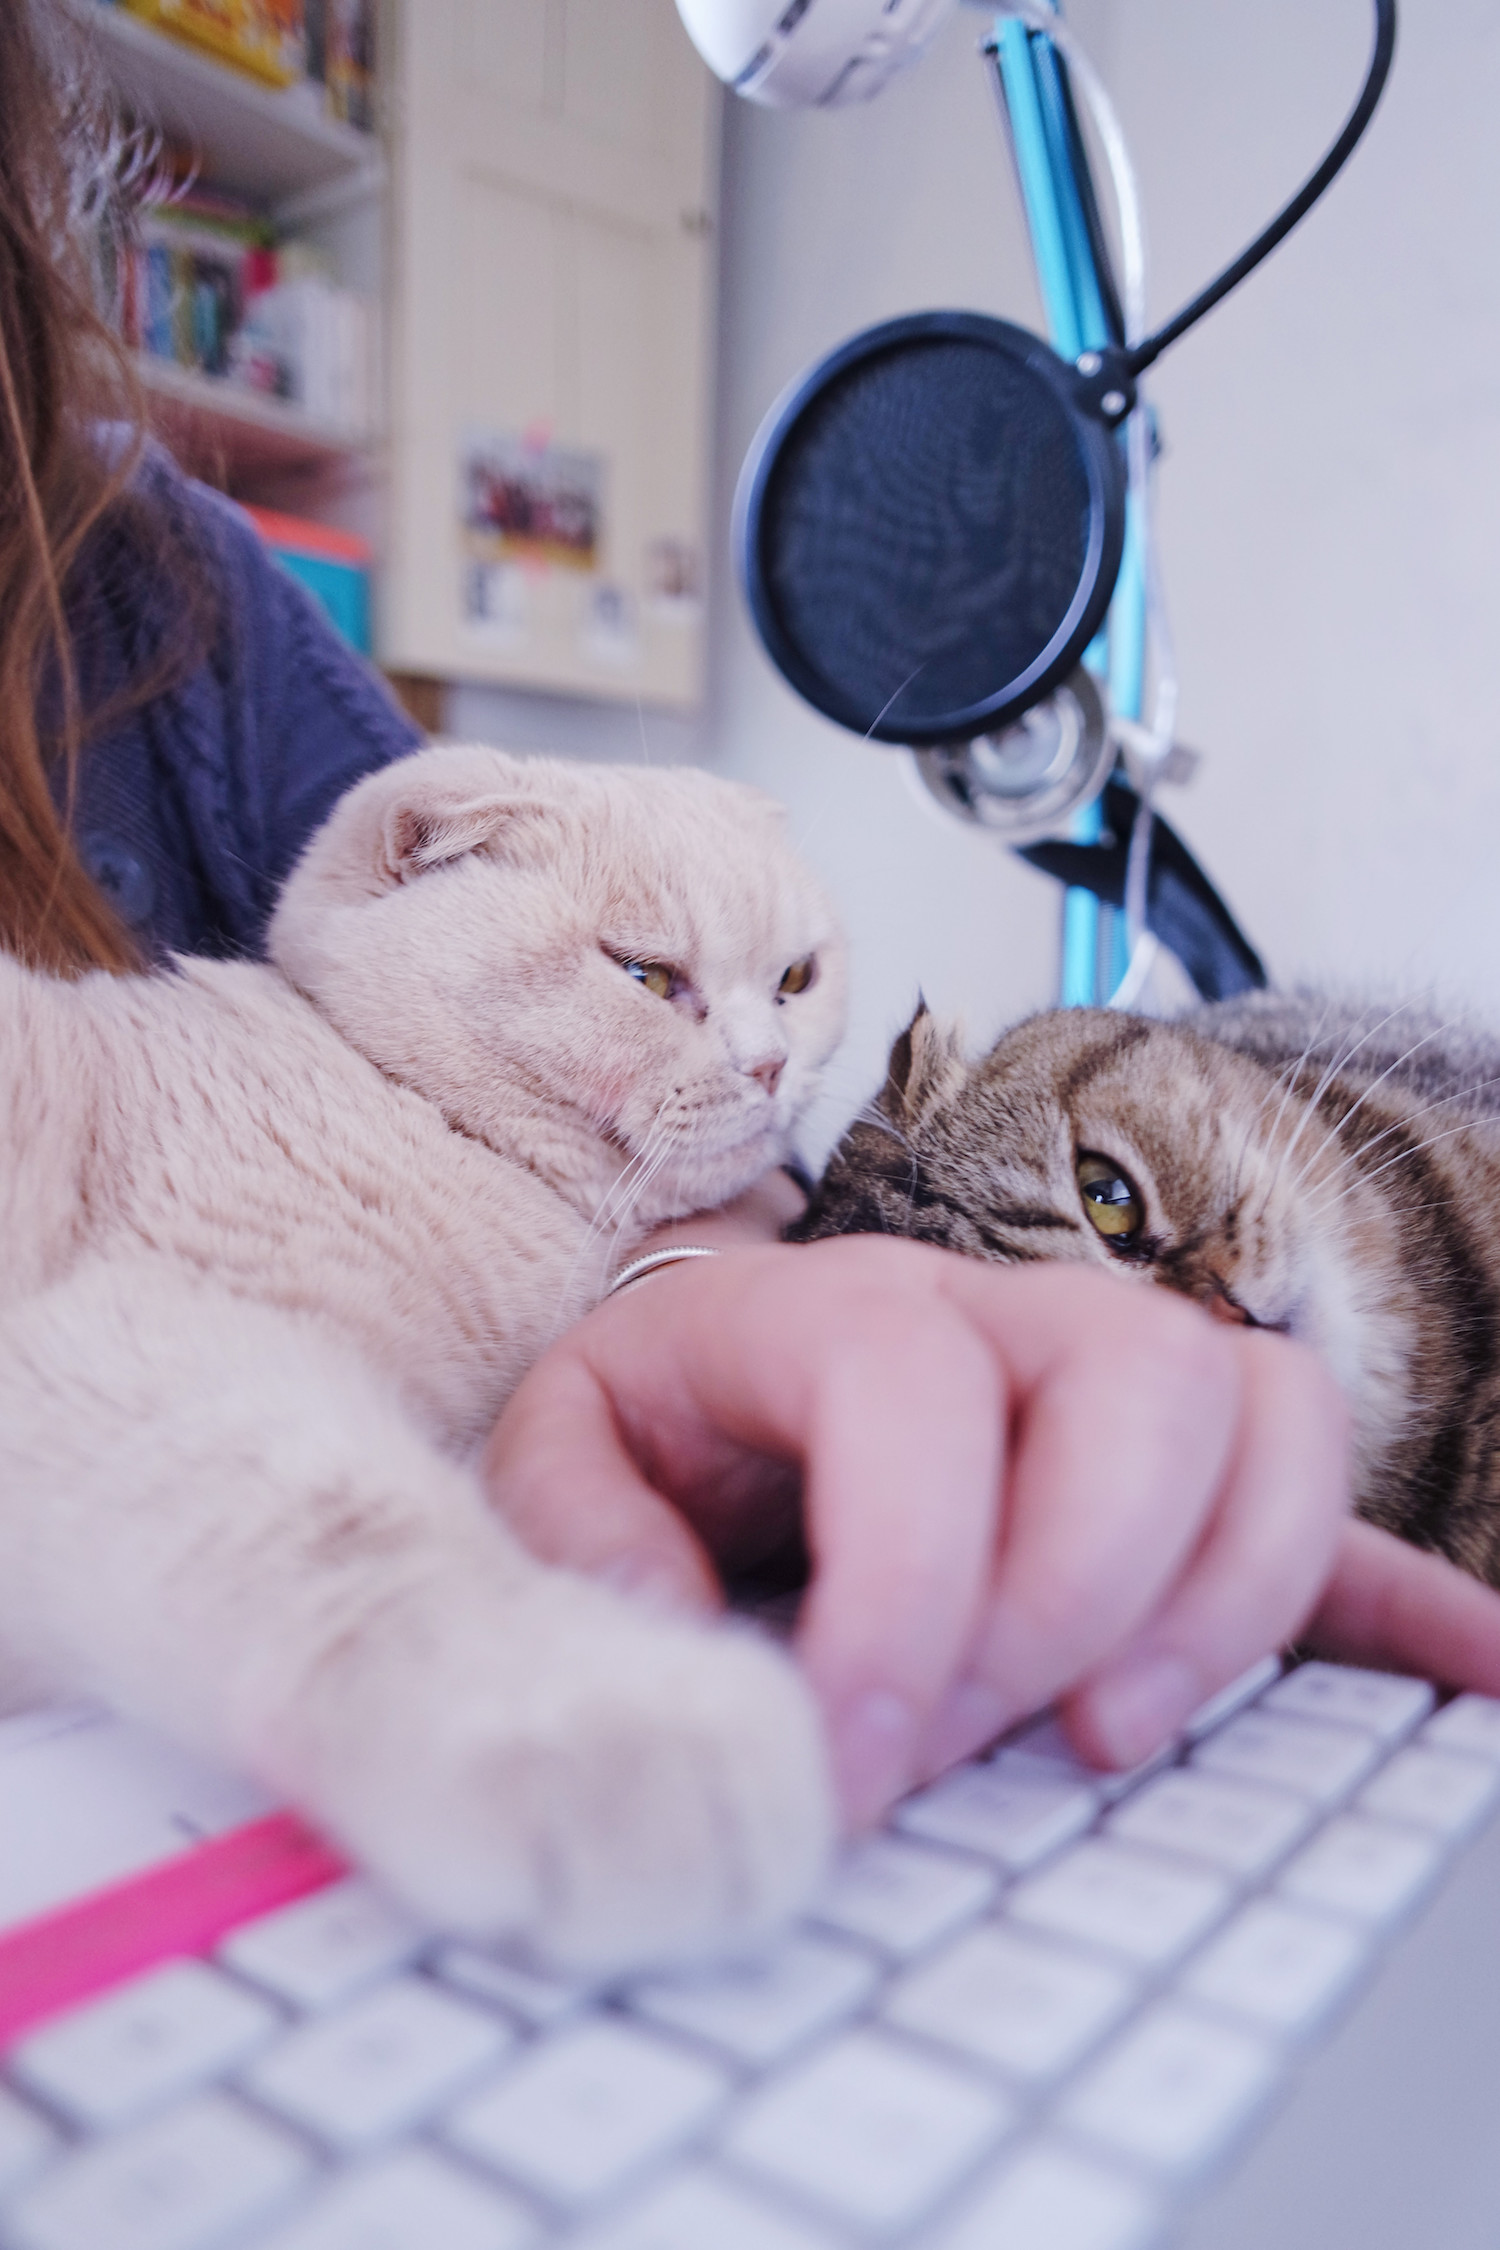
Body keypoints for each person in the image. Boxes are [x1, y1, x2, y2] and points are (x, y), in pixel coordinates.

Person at [6, 0, 1500, 1845]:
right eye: (660, 981)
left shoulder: (151, 577)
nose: (765, 1057)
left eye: (798, 981)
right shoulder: (300, 1089)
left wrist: (686, 1285)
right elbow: (94, 1383)